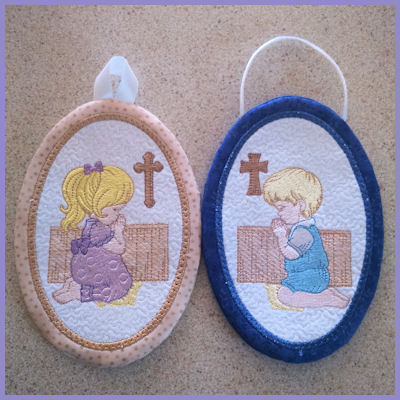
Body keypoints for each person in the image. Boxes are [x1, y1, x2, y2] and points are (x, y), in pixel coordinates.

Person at [263, 167, 350, 309]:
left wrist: (281, 236)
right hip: (308, 276)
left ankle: (325, 299)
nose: (279, 213)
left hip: (309, 277)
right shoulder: (304, 227)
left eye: (282, 207)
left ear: (300, 205)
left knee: (284, 296)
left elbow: (290, 254)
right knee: (284, 291)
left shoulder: (303, 231)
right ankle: (329, 294)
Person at [52, 161, 135, 305]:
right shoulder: (100, 228)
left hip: (82, 269)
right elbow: (119, 248)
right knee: (121, 286)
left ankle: (72, 284)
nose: (117, 214)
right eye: (115, 209)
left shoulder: (90, 224)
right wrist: (118, 230)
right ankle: (78, 293)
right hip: (94, 271)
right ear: (97, 203)